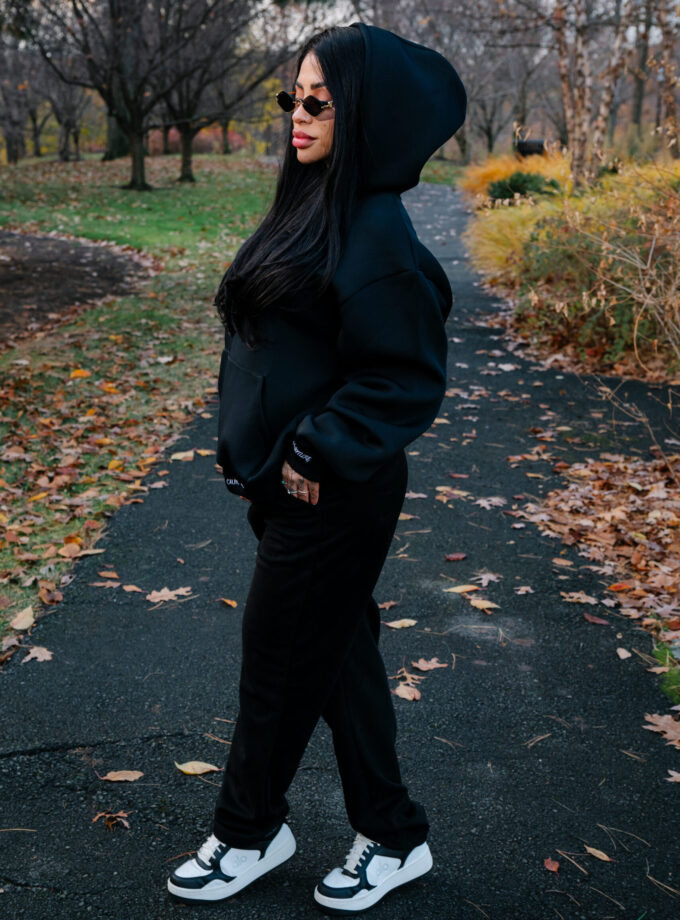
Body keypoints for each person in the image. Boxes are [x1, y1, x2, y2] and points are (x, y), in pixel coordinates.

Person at [166, 20, 466, 915]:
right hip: (284, 484)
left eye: (319, 101)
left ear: (358, 108)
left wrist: (311, 447)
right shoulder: (313, 201)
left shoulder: (377, 234)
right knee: (336, 656)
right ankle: (394, 833)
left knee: (279, 662)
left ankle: (247, 831)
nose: (298, 115)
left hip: (332, 494)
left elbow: (406, 377)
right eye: (291, 98)